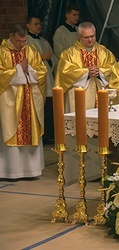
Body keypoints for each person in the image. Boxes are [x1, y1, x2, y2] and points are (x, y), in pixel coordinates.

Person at [0, 24, 47, 180]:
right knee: (10, 128)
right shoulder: (2, 52)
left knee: (30, 128)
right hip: (10, 101)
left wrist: (29, 71)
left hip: (29, 99)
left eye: (24, 41)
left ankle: (31, 170)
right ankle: (10, 171)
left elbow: (41, 70)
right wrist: (18, 69)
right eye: (19, 41)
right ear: (11, 36)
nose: (22, 44)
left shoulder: (30, 50)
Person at [55, 22, 116, 112]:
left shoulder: (104, 52)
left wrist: (100, 72)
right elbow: (65, 74)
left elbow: (114, 69)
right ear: (79, 37)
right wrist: (86, 73)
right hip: (78, 97)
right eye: (86, 37)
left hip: (101, 95)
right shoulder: (68, 54)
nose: (90, 40)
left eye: (92, 36)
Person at [26, 15, 58, 144]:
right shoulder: (27, 41)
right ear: (28, 25)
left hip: (48, 77)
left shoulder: (44, 41)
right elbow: (27, 60)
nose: (39, 26)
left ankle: (49, 134)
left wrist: (50, 59)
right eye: (35, 24)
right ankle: (41, 135)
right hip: (37, 80)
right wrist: (41, 57)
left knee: (49, 107)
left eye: (39, 23)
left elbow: (54, 58)